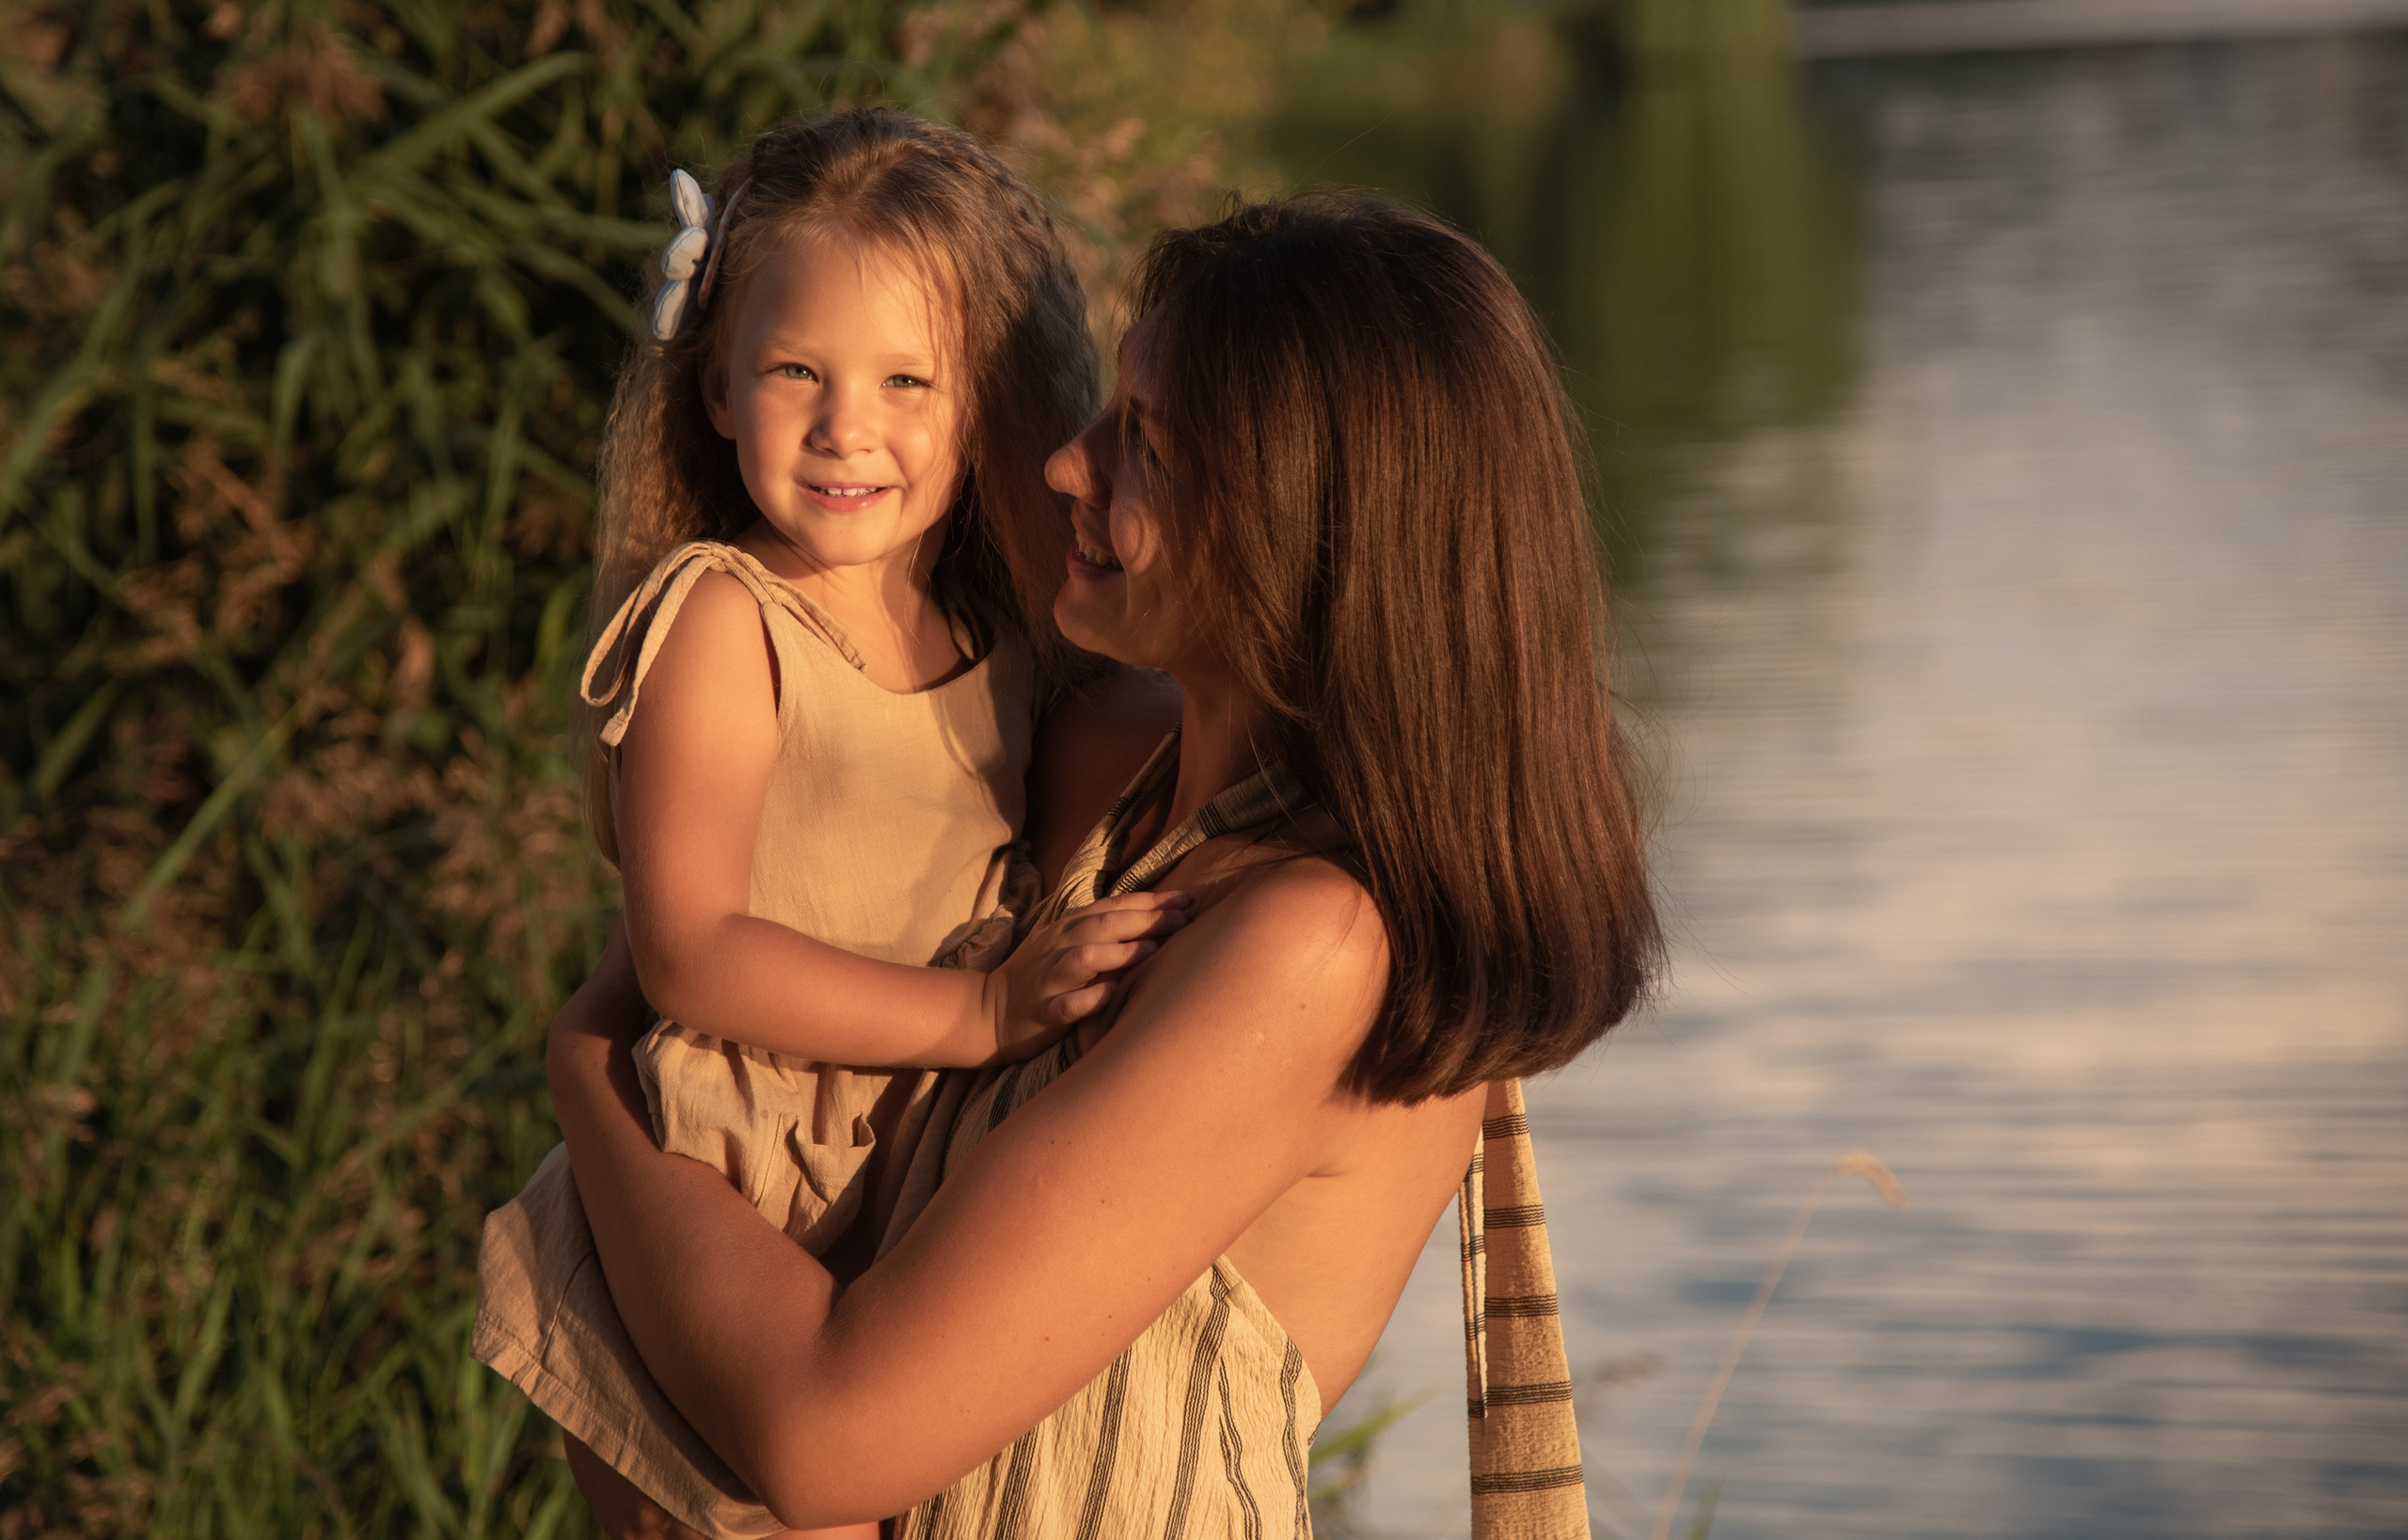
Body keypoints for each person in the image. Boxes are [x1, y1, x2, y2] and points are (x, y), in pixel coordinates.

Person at [546, 192, 1664, 1538]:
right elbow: (724, 918)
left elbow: (830, 1441)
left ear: (1309, 534)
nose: (1065, 467)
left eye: (1143, 446)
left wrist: (588, 1081)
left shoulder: (1313, 943)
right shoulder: (1110, 770)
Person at [474, 108, 1189, 1540]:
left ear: (982, 400)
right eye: (796, 371)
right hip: (717, 1193)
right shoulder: (727, 624)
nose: (847, 427)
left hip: (874, 1189)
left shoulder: (991, 632)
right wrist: (982, 1014)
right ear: (721, 391)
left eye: (906, 380)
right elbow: (687, 952)